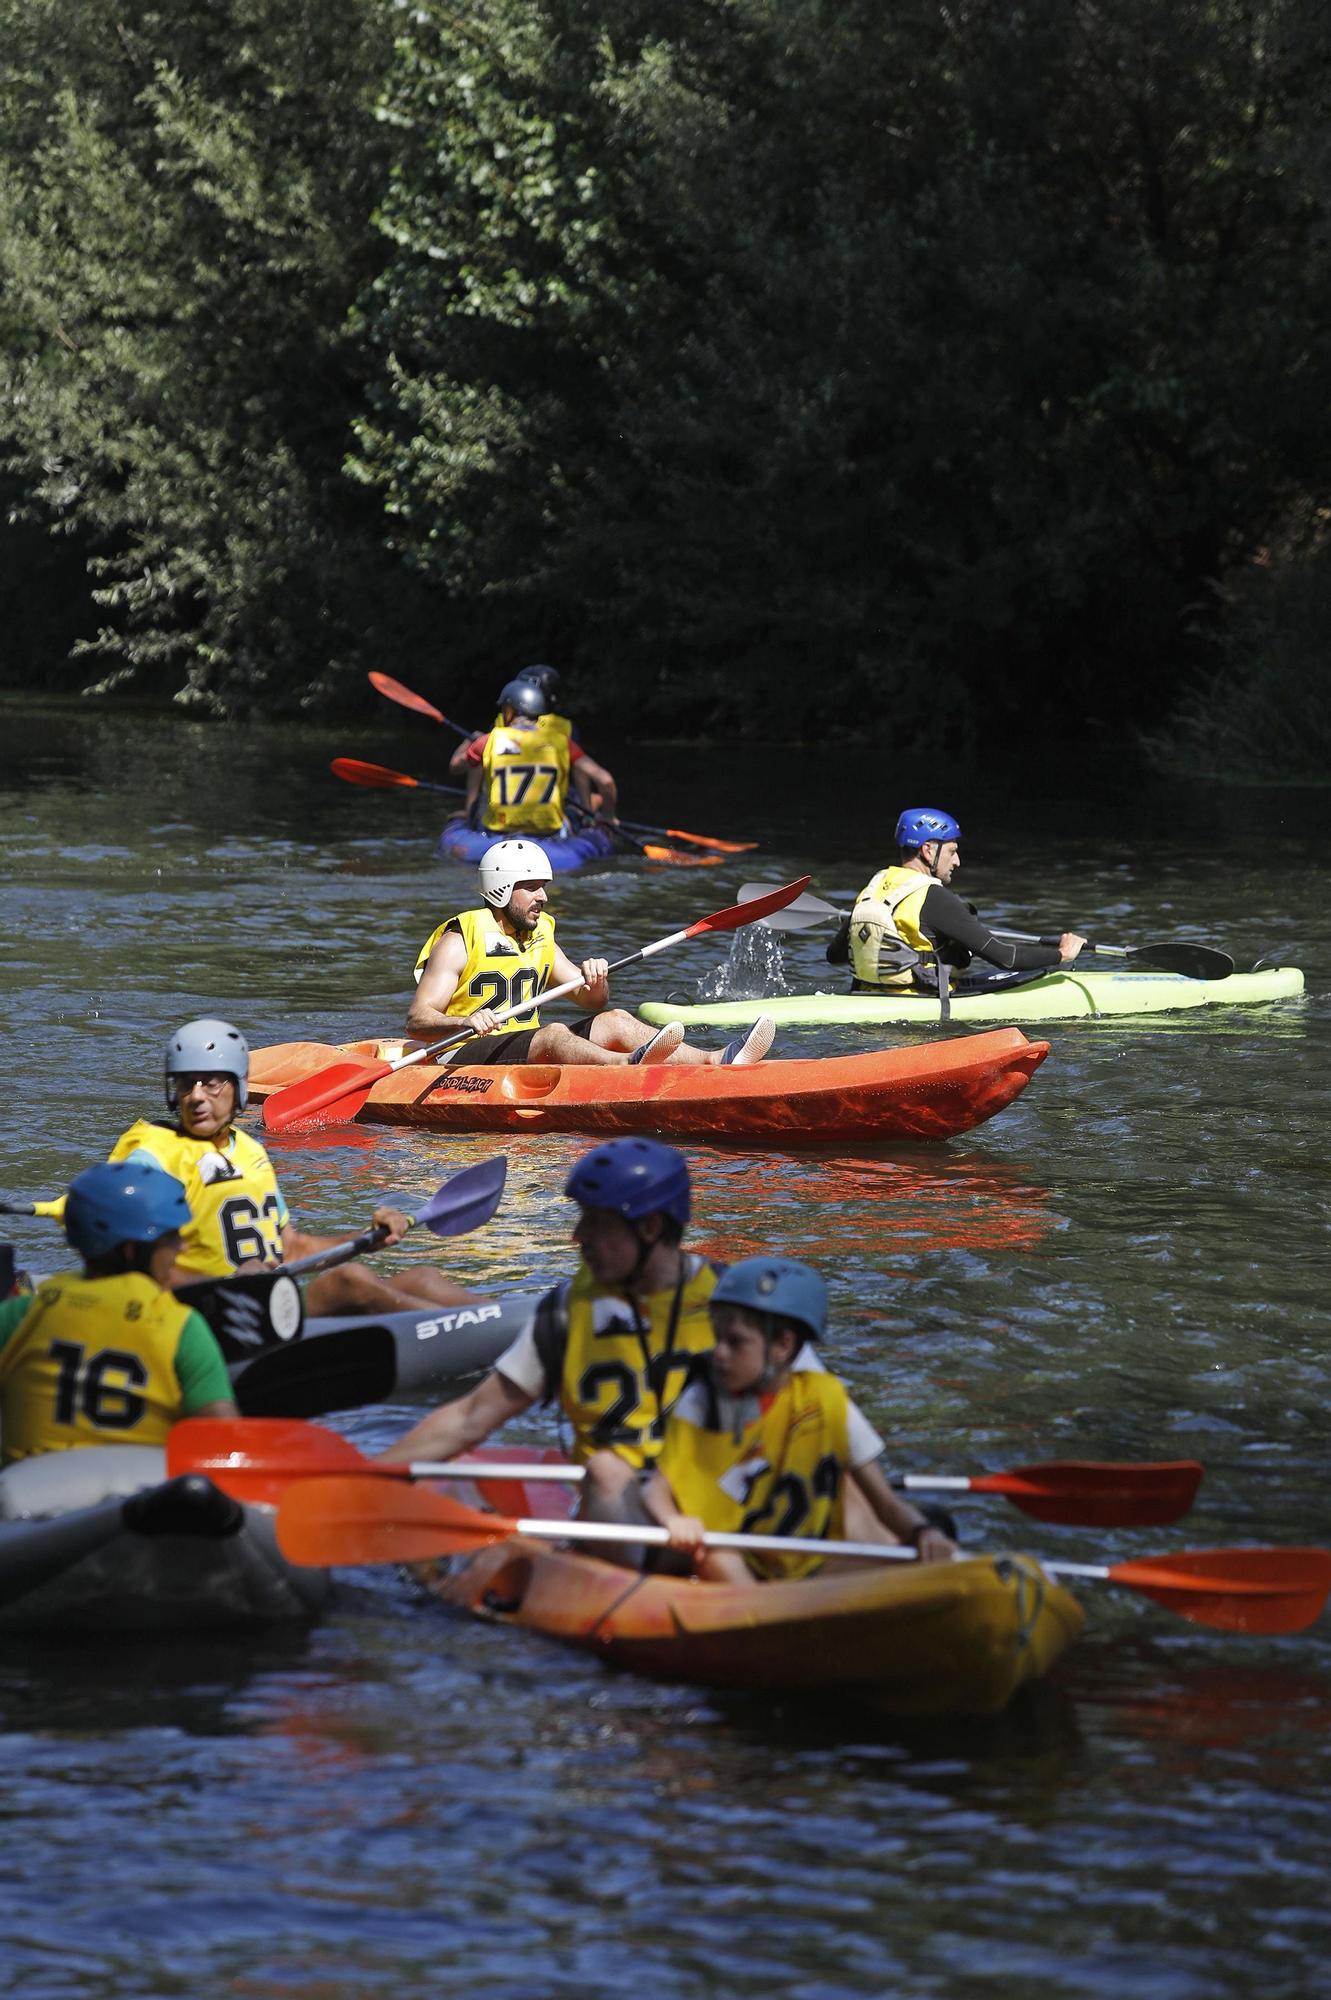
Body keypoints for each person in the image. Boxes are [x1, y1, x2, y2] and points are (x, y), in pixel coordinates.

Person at [380, 1141, 733, 1528]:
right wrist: (367, 1478)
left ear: (650, 1228)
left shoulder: (737, 1305)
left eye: (596, 1223)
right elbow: (471, 1417)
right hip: (617, 1517)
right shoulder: (567, 1310)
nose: (578, 1237)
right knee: (606, 1469)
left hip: (717, 1518)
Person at [106, 1019, 481, 1314]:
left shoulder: (249, 1151)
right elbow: (131, 1265)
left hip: (260, 1305)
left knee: (424, 1278)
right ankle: (479, 1337)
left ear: (237, 1087)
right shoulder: (151, 1158)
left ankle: (521, 1327)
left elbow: (291, 1248)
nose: (197, 1097)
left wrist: (365, 1238)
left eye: (211, 1083)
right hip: (198, 1316)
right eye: (186, 1085)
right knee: (348, 1282)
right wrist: (226, 1282)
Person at [640, 1256, 955, 1582]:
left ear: (783, 1345)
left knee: (923, 1562)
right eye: (717, 1338)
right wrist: (673, 1520)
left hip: (813, 1563)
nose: (718, 1352)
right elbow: (656, 1489)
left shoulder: (825, 1398)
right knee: (717, 1556)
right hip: (742, 1562)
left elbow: (887, 1505)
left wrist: (924, 1531)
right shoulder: (701, 1400)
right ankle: (768, 1617)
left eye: (735, 1342)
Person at [407, 839, 775, 1067]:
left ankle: (716, 1059)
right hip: (462, 1053)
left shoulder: (541, 935)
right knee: (552, 1033)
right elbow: (418, 1020)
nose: (544, 897)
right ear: (502, 888)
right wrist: (464, 1021)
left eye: (544, 887)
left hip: (520, 1046)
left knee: (615, 1019)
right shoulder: (460, 939)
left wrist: (596, 978)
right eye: (532, 887)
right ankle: (628, 1065)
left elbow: (591, 1002)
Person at [0, 1160, 238, 1464]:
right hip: (137, 1503)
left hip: (26, 1497)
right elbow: (225, 1445)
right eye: (171, 1237)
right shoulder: (181, 1327)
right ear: (130, 1251)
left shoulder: (20, 1315)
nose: (182, 1248)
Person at [836, 808, 1087, 995]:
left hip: (866, 996)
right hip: (921, 1007)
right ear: (928, 850)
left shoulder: (874, 887)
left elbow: (834, 955)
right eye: (952, 852)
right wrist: (1061, 954)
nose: (957, 862)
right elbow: (1006, 958)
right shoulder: (933, 896)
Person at [450, 674, 620, 831]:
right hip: (548, 834)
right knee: (571, 816)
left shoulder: (488, 740)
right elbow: (606, 781)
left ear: (508, 711)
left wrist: (470, 740)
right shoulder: (561, 741)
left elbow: (455, 767)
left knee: (479, 804)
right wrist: (609, 818)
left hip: (497, 832)